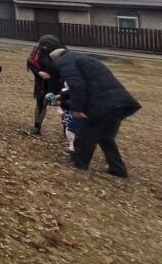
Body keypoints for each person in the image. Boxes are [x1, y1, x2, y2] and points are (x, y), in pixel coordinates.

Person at [39, 35, 141, 178]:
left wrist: (77, 109)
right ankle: (117, 168)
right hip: (120, 102)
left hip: (103, 103)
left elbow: (77, 85)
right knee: (106, 137)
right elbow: (89, 83)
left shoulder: (63, 61)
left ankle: (79, 162)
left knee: (85, 131)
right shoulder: (78, 57)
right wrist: (62, 96)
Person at [25, 43, 62, 137]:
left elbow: (58, 68)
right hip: (40, 83)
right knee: (40, 104)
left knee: (61, 106)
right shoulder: (38, 49)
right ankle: (37, 127)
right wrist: (38, 72)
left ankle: (68, 130)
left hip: (52, 83)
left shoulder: (55, 52)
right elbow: (31, 63)